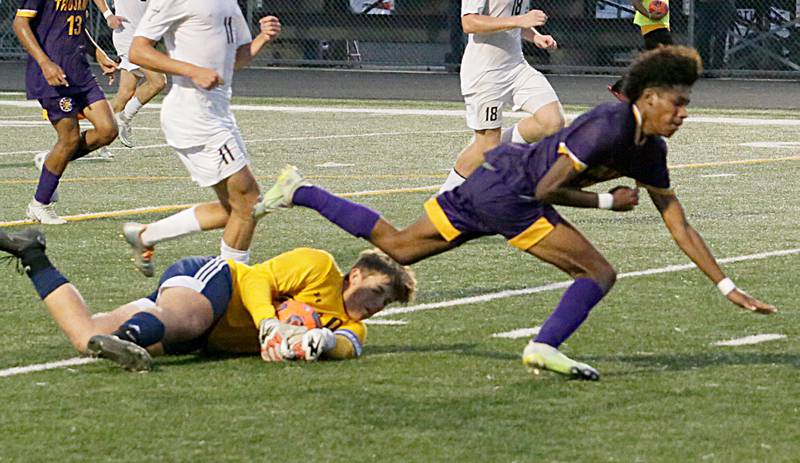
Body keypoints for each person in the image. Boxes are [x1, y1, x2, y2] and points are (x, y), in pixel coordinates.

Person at [254, 46, 777, 381]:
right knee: (597, 272)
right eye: (678, 103)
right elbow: (548, 189)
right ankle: (544, 346)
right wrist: (605, 202)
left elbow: (677, 221)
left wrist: (725, 286)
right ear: (650, 97)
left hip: (490, 183)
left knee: (395, 246)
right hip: (512, 195)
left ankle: (300, 191)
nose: (684, 114)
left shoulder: (649, 149)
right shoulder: (609, 127)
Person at [0, 228, 417, 371]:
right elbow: (256, 278)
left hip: (210, 336)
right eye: (378, 292)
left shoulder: (347, 324)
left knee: (86, 336)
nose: (377, 305)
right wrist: (269, 323)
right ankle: (130, 338)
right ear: (357, 274)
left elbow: (351, 346)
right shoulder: (319, 266)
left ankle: (33, 255)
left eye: (386, 304)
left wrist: (323, 343)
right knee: (185, 320)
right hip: (217, 283)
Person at [121, 0, 281, 276]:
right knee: (249, 200)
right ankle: (231, 285)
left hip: (219, 114)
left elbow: (236, 60)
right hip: (193, 116)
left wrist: (263, 38)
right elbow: (138, 51)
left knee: (235, 209)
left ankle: (146, 236)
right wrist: (192, 70)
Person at [439, 0, 564, 193]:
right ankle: (444, 195)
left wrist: (535, 36)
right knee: (486, 147)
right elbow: (470, 23)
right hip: (485, 73)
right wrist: (520, 20)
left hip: (517, 67)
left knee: (552, 122)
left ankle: (494, 149)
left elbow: (509, 20)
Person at [13, 0, 120, 224]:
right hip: (52, 75)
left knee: (108, 130)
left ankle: (50, 161)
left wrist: (97, 53)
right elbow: (20, 24)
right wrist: (45, 63)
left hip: (79, 71)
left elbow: (76, 26)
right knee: (69, 139)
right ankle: (39, 204)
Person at [106, 0, 167, 150]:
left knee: (125, 93)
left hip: (141, 40)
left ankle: (99, 139)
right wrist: (108, 15)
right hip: (127, 38)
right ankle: (125, 117)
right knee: (158, 81)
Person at [608, 0, 672, 101]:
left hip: (660, 27)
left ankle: (622, 87)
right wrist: (650, 15)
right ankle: (624, 88)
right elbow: (636, 2)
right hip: (653, 28)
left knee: (652, 64)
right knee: (663, 61)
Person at [695, 0, 737, 71]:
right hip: (705, 4)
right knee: (702, 34)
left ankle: (717, 67)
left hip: (724, 4)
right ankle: (704, 67)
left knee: (720, 33)